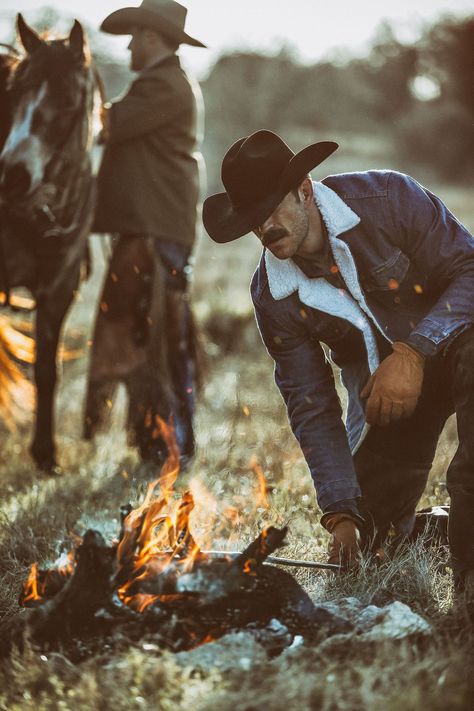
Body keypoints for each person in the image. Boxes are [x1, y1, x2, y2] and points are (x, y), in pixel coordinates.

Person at [202, 129, 474, 595]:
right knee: (371, 543)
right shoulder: (273, 298)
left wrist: (413, 351)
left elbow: (470, 270)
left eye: (271, 209)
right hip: (386, 398)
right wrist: (341, 511)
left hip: (459, 346)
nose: (264, 228)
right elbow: (311, 406)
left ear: (304, 188)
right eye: (252, 220)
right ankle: (438, 530)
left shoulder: (389, 198)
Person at [85, 0, 206, 464]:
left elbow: (103, 126)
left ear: (153, 38)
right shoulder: (164, 83)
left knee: (153, 335)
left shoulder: (163, 86)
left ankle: (168, 445)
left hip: (154, 232)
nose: (132, 44)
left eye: (136, 36)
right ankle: (163, 443)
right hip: (152, 229)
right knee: (150, 334)